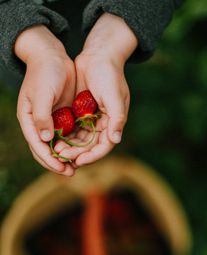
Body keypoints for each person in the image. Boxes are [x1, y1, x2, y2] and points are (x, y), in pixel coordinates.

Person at [0, 0, 182, 176]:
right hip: (17, 40)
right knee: (39, 91)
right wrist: (33, 48)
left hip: (111, 23)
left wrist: (115, 35)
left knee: (113, 80)